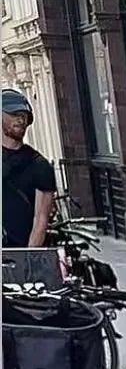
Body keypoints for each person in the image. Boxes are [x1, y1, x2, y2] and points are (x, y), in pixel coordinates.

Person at [2, 88, 56, 250]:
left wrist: (28, 258)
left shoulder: (39, 165)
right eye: (14, 114)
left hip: (19, 253)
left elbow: (40, 220)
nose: (21, 120)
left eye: (25, 116)